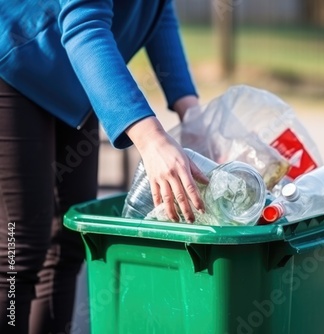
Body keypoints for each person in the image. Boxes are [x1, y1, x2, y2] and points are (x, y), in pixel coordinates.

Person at [0, 1, 207, 333]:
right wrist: (151, 138)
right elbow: (84, 24)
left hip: (76, 75)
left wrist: (191, 110)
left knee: (68, 243)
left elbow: (156, 9)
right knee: (17, 250)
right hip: (16, 58)